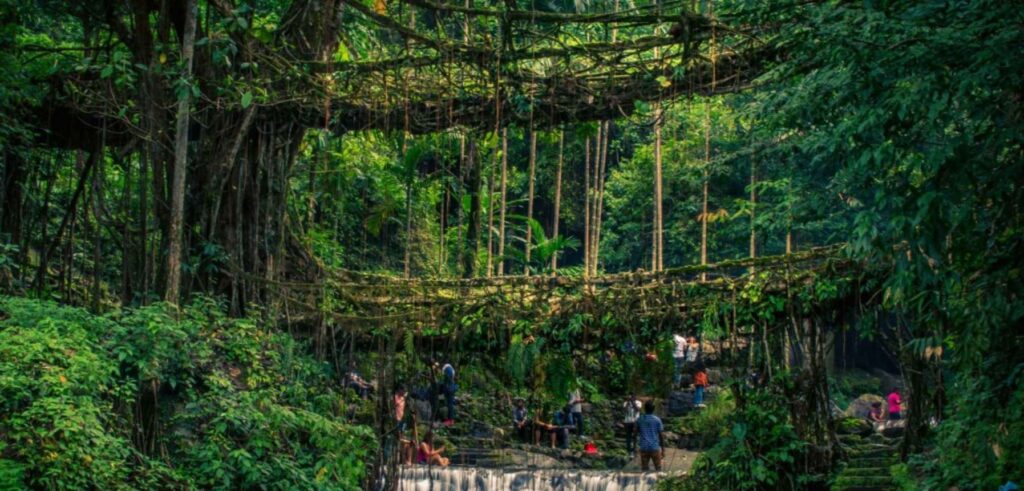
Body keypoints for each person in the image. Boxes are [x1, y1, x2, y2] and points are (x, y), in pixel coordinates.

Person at [636, 400, 664, 471]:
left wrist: (634, 446)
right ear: (653, 409)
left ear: (644, 409)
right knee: (658, 468)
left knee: (644, 469)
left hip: (644, 447)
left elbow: (635, 433)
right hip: (654, 447)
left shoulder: (640, 419)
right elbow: (661, 436)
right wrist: (663, 449)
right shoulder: (657, 420)